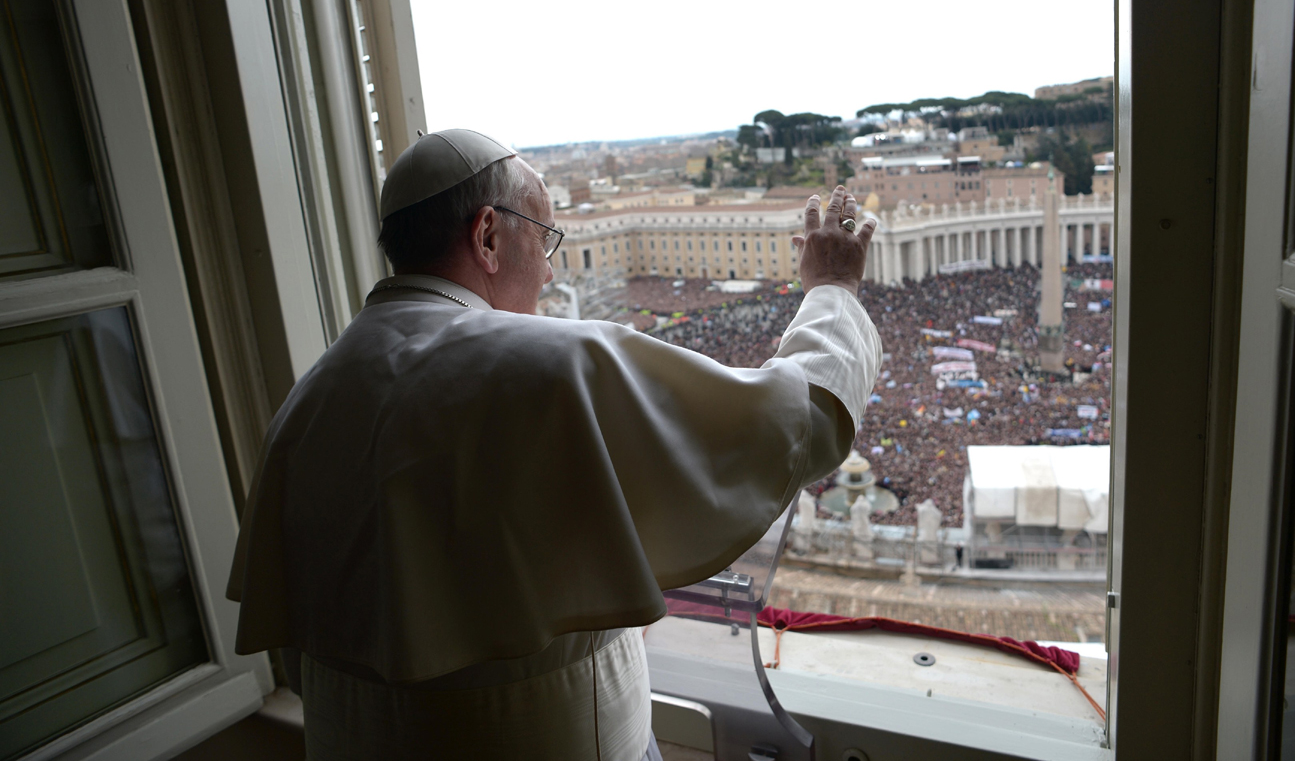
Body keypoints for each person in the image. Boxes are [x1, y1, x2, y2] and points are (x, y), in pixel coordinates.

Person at [226, 129, 881, 760]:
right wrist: (833, 290)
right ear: (487, 235)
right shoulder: (554, 363)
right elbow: (798, 422)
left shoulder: (307, 398)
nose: (547, 270)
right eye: (544, 238)